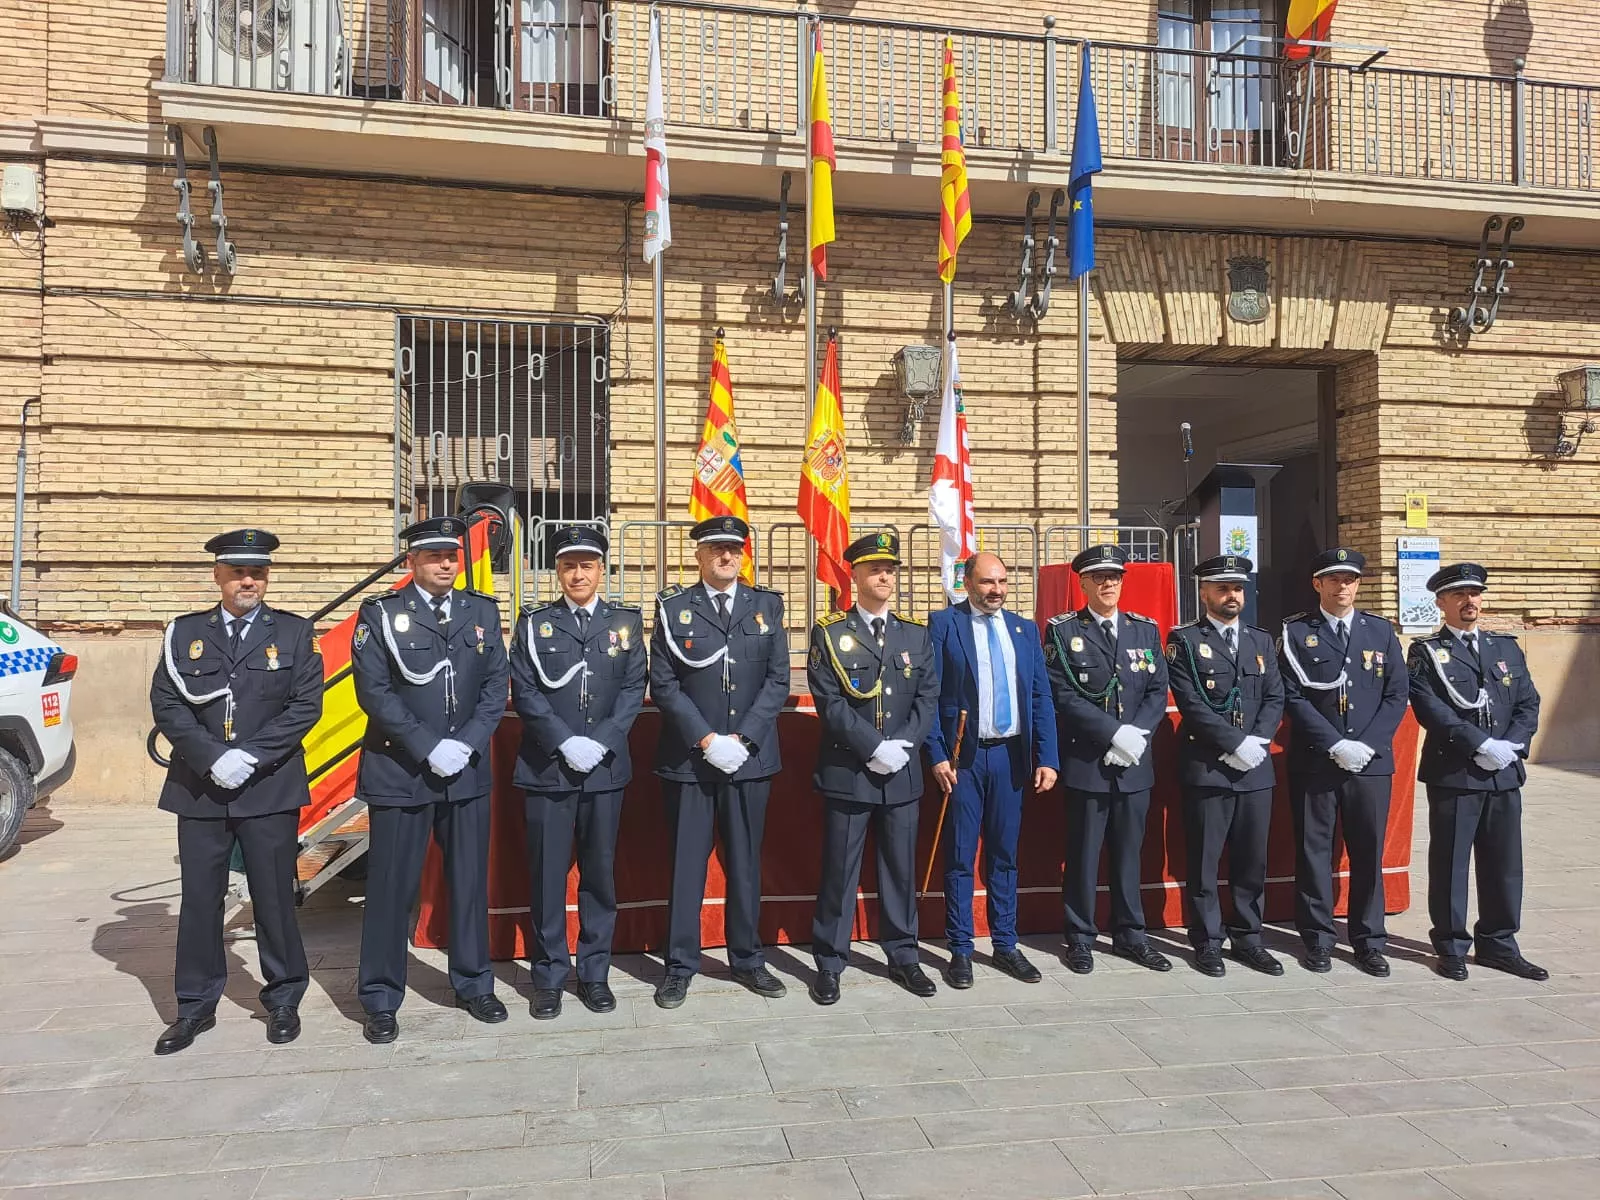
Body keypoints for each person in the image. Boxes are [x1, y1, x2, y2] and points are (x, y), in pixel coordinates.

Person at [149, 529, 323, 1055]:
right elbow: (167, 702)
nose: (249, 580)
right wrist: (211, 757)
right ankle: (195, 1006)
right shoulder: (184, 633)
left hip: (268, 784)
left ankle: (285, 997)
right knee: (200, 900)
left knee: (273, 897)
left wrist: (247, 755)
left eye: (258, 572)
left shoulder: (294, 633)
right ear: (217, 576)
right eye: (238, 572)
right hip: (200, 787)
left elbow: (305, 705)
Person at [351, 516, 511, 1043]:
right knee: (392, 888)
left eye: (453, 555)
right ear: (411, 562)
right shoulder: (381, 615)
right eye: (435, 555)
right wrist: (428, 745)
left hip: (465, 768)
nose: (447, 563)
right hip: (401, 770)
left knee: (467, 884)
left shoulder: (480, 611)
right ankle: (379, 995)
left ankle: (473, 983)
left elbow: (494, 686)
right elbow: (374, 693)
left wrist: (464, 744)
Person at [649, 516, 790, 1009]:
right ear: (699, 555)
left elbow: (778, 680)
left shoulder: (767, 607)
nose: (726, 556)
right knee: (686, 867)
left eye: (733, 548)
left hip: (750, 761)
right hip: (691, 760)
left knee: (746, 867)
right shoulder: (673, 608)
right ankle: (680, 965)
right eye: (716, 549)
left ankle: (748, 959)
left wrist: (744, 738)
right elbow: (663, 684)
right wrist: (708, 740)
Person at [509, 526, 645, 1020]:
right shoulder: (534, 623)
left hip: (605, 769)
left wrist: (600, 742)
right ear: (558, 572)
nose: (578, 573)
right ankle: (547, 976)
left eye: (587, 564)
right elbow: (524, 690)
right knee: (546, 876)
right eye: (569, 565)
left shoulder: (625, 622)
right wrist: (566, 742)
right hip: (548, 767)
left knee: (599, 876)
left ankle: (594, 973)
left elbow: (633, 690)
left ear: (601, 569)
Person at [807, 532, 940, 1004]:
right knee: (839, 872)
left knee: (900, 870)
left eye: (891, 569)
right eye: (875, 569)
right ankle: (830, 961)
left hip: (901, 770)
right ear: (855, 575)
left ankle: (904, 956)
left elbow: (928, 697)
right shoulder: (829, 631)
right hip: (851, 771)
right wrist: (873, 747)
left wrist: (903, 745)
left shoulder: (914, 633)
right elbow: (830, 702)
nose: (885, 576)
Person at [926, 552, 1059, 988]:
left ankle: (1005, 944)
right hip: (964, 757)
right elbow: (929, 696)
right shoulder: (944, 625)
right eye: (986, 582)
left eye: (1002, 581)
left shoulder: (1023, 631)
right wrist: (937, 753)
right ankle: (960, 948)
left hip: (1010, 758)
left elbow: (1040, 697)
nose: (996, 590)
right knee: (961, 856)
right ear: (966, 583)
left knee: (1005, 854)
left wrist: (1047, 757)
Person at [1407, 562, 1545, 982]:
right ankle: (1450, 945)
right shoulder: (1425, 652)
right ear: (1441, 602)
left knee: (1504, 863)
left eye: (1475, 594)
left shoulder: (1505, 648)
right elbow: (1429, 707)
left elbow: (1528, 702)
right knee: (1450, 862)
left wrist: (1510, 746)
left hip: (1503, 772)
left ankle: (1499, 943)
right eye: (1460, 595)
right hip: (1456, 772)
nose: (1470, 602)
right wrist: (1480, 744)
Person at [1278, 548, 1409, 977]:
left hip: (1370, 763)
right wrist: (1334, 743)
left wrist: (1366, 744)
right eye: (1333, 579)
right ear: (1317, 584)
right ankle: (1317, 938)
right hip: (1318, 760)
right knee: (1314, 851)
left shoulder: (1380, 631)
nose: (1343, 587)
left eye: (1350, 579)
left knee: (1367, 852)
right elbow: (1292, 695)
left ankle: (1369, 941)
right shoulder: (1296, 632)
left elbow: (1395, 694)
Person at [1044, 544, 1170, 974]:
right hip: (1088, 762)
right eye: (1099, 577)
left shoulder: (1144, 630)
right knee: (1083, 854)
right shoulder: (1062, 631)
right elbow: (1062, 693)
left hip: (1134, 760)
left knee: (1129, 853)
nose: (1108, 584)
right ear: (1082, 583)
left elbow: (1157, 688)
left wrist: (1135, 736)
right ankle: (1080, 936)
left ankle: (1131, 935)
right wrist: (1112, 733)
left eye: (1115, 577)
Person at [1165, 554, 1285, 978]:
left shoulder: (1261, 640)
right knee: (1204, 861)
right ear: (1204, 593)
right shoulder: (1183, 641)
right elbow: (1191, 702)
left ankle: (1249, 938)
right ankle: (1208, 941)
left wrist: (1257, 743)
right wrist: (1234, 743)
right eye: (1222, 588)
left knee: (1252, 861)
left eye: (1237, 588)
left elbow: (1275, 695)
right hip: (1209, 766)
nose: (1231, 595)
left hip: (1255, 767)